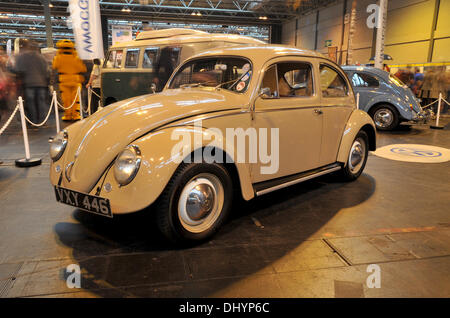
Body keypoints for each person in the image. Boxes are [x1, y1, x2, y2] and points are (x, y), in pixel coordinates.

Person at [12, 40, 49, 124]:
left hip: (29, 84)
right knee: (41, 103)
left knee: (31, 104)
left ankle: (34, 121)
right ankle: (43, 121)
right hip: (41, 84)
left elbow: (18, 69)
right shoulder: (41, 57)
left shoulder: (22, 57)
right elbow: (46, 71)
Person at [52, 39, 86, 121]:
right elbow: (82, 69)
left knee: (66, 100)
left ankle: (67, 115)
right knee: (76, 99)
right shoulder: (76, 58)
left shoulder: (58, 58)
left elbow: (54, 66)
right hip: (75, 80)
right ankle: (76, 115)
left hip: (64, 81)